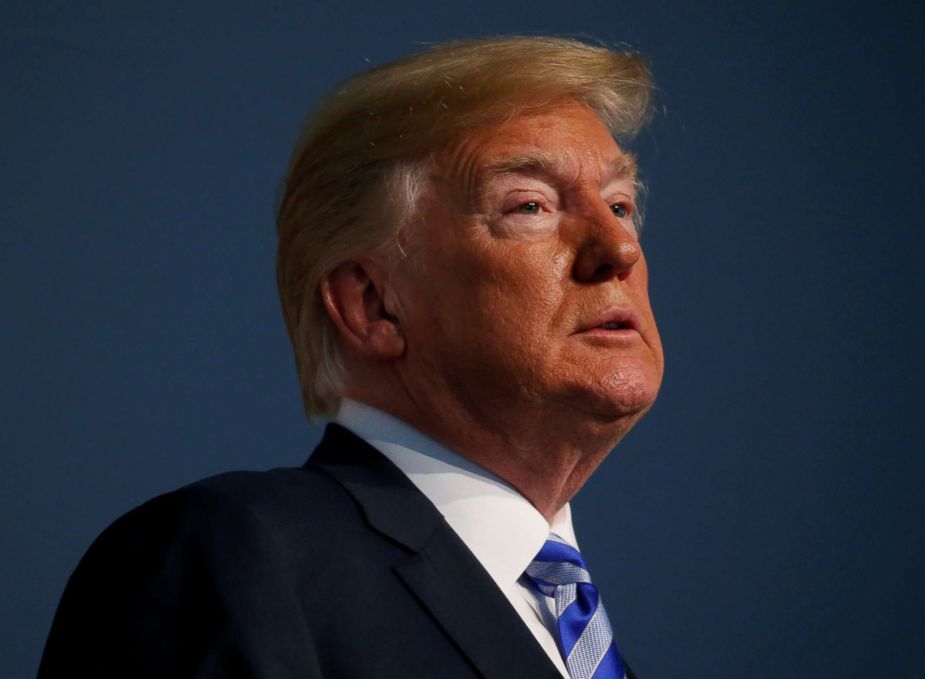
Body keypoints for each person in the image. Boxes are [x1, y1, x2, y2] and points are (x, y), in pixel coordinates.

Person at [39, 35, 664, 678]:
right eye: (529, 206)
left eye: (621, 205)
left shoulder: (578, 630)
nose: (618, 247)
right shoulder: (235, 560)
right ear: (372, 304)